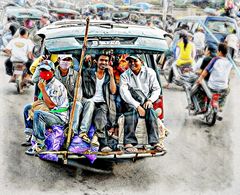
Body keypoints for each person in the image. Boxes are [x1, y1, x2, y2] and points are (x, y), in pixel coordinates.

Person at [120, 55, 163, 153]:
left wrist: (150, 100)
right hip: (130, 101)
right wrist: (137, 106)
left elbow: (156, 89)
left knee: (151, 111)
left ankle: (155, 142)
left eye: (135, 61)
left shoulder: (150, 72)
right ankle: (128, 143)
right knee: (131, 111)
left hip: (145, 100)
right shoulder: (125, 75)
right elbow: (125, 93)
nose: (132, 63)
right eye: (130, 61)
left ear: (141, 62)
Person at [25, 60, 69, 155]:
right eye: (42, 70)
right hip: (49, 112)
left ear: (53, 72)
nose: (44, 73)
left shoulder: (56, 85)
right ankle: (30, 135)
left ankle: (40, 144)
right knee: (28, 108)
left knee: (38, 114)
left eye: (46, 70)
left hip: (58, 116)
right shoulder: (44, 81)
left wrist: (42, 89)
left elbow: (51, 105)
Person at [54, 55, 96, 145]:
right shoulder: (53, 73)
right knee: (76, 104)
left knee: (89, 102)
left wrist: (76, 101)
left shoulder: (76, 74)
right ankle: (72, 132)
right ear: (58, 60)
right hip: (58, 103)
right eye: (64, 59)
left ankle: (83, 132)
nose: (66, 62)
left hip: (73, 100)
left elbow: (79, 92)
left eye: (68, 60)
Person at [82, 54, 117, 152]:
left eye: (106, 61)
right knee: (92, 107)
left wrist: (111, 75)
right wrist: (86, 63)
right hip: (89, 100)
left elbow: (113, 91)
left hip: (102, 102)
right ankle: (103, 143)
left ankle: (101, 141)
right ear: (96, 61)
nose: (104, 63)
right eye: (101, 60)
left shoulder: (108, 76)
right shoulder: (88, 72)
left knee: (102, 113)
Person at [196, 43, 232, 112]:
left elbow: (206, 71)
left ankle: (202, 106)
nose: (216, 52)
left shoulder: (215, 59)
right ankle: (221, 105)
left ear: (220, 52)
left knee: (200, 88)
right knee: (228, 90)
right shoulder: (229, 62)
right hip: (223, 88)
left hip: (212, 87)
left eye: (217, 51)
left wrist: (199, 79)